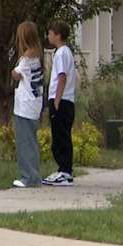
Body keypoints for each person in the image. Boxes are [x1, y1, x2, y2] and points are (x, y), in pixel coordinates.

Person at [10, 21, 45, 188]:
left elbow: (15, 74)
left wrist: (15, 69)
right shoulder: (39, 55)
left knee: (24, 142)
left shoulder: (25, 59)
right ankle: (34, 174)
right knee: (31, 141)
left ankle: (28, 176)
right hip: (35, 104)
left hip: (24, 106)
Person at [43, 20, 77, 186]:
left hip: (62, 101)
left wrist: (56, 100)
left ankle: (64, 171)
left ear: (58, 35)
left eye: (50, 33)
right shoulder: (65, 52)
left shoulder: (62, 53)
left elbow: (61, 76)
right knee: (61, 135)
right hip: (65, 100)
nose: (48, 36)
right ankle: (65, 170)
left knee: (60, 137)